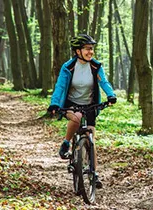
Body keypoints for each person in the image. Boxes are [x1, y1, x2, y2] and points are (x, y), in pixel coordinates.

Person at [47, 34, 117, 189]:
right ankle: (66, 143)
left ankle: (94, 171)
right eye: (87, 49)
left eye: (91, 49)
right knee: (77, 118)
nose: (90, 52)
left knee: (90, 135)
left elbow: (103, 82)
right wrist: (54, 104)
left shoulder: (96, 66)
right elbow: (60, 87)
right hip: (72, 103)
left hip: (90, 104)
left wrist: (111, 95)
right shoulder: (69, 67)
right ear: (78, 51)